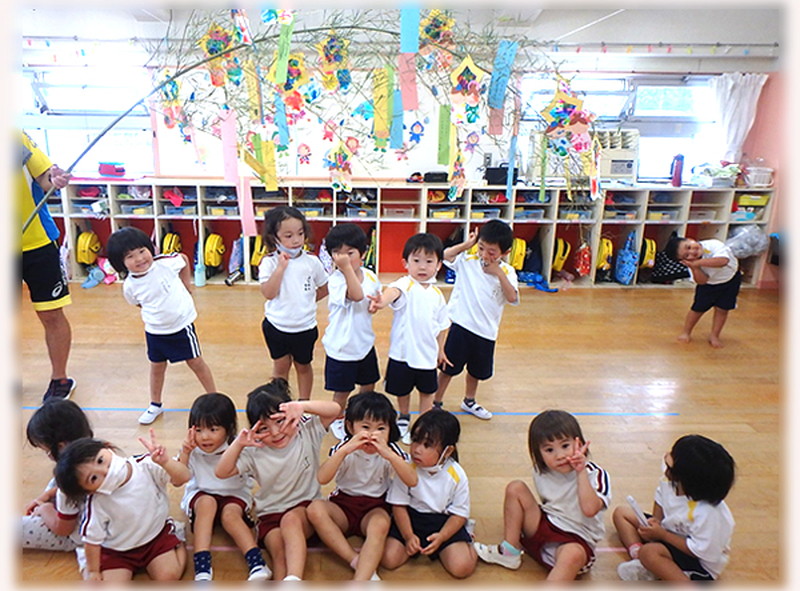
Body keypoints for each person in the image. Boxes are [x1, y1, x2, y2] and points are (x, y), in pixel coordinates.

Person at [215, 378, 340, 581]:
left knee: (291, 522)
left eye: (280, 421)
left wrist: (302, 406)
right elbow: (222, 471)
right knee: (279, 556)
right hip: (271, 516)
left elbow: (335, 409)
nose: (275, 433)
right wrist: (238, 444)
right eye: (264, 428)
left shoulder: (307, 430)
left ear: (292, 415)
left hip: (304, 511)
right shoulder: (254, 450)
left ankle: (294, 580)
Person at [473, 409, 611, 581]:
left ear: (580, 443)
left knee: (572, 555)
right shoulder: (542, 471)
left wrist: (580, 472)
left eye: (565, 446)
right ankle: (509, 552)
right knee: (516, 488)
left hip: (577, 539)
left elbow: (590, 510)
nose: (559, 455)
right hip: (549, 524)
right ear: (538, 453)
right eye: (549, 450)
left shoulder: (595, 474)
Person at [106, 226, 216, 424]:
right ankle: (155, 404)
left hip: (181, 327)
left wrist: (186, 286)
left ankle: (214, 398)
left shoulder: (165, 264)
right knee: (157, 367)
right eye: (130, 256)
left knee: (196, 362)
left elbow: (184, 259)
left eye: (142, 251)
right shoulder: (129, 285)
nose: (139, 259)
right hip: (155, 331)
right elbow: (138, 303)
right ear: (120, 263)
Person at [307, 391, 417, 580]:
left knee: (380, 524)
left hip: (375, 507)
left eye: (381, 428)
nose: (372, 434)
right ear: (350, 427)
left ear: (390, 429)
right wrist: (344, 451)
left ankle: (360, 581)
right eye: (365, 427)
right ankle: (354, 560)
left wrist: (388, 454)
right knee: (315, 509)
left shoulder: (391, 450)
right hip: (343, 505)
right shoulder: (344, 448)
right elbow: (322, 478)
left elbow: (412, 480)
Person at [54, 432, 190, 582]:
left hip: (155, 537)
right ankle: (84, 560)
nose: (105, 471)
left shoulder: (145, 465)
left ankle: (177, 538)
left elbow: (184, 477)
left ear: (107, 447)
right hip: (117, 551)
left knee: (169, 577)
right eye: (93, 478)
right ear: (89, 491)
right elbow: (92, 540)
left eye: (100, 460)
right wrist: (93, 571)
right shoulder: (97, 502)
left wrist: (165, 462)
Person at [612, 434, 735, 582]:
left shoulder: (708, 514)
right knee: (622, 513)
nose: (666, 456)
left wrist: (662, 535)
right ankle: (639, 556)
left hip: (698, 561)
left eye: (671, 460)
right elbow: (660, 498)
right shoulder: (671, 483)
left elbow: (700, 551)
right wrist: (655, 522)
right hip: (668, 534)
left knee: (650, 552)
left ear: (684, 477)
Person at [177, 392, 270, 581]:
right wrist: (185, 453)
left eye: (213, 429)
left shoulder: (238, 446)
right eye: (199, 430)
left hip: (234, 495)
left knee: (230, 515)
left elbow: (262, 472)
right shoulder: (192, 449)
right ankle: (202, 567)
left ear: (228, 429)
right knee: (207, 504)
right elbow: (177, 480)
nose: (205, 437)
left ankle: (257, 563)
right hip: (201, 494)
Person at [368, 233, 450, 444]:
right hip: (402, 354)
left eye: (429, 261)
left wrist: (441, 349)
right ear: (406, 263)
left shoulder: (437, 294)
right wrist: (381, 301)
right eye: (416, 260)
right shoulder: (405, 284)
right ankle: (403, 416)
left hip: (427, 355)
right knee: (401, 390)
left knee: (427, 392)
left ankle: (423, 424)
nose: (422, 266)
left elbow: (443, 326)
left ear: (438, 265)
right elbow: (392, 292)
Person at [433, 221, 519, 419]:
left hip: (486, 332)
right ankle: (435, 401)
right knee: (448, 368)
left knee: (476, 372)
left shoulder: (508, 272)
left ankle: (469, 401)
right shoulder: (468, 260)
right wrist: (467, 245)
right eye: (481, 248)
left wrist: (498, 273)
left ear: (505, 252)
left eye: (492, 252)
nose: (484, 255)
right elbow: (444, 255)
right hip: (460, 326)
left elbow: (512, 297)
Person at [380, 408, 476, 579]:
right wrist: (408, 536)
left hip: (443, 522)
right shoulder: (407, 468)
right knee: (388, 559)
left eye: (427, 445)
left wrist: (442, 537)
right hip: (411, 519)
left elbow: (459, 514)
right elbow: (398, 505)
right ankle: (417, 545)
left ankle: (468, 540)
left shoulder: (457, 475)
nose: (417, 450)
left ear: (447, 451)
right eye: (415, 440)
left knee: (462, 568)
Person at [18, 130, 75, 401]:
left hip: (37, 242)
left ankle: (59, 378)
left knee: (51, 314)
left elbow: (44, 177)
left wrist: (55, 178)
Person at [259, 206, 329, 401]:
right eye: (288, 236)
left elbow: (325, 287)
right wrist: (281, 268)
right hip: (276, 326)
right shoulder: (269, 262)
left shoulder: (312, 261)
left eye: (300, 233)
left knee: (303, 366)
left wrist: (305, 300)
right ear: (274, 238)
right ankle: (281, 404)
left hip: (304, 327)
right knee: (280, 368)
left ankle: (304, 404)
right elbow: (269, 293)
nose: (296, 240)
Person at [320, 223, 382, 440]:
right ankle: (338, 419)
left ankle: (361, 415)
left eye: (350, 253)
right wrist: (346, 269)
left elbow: (373, 296)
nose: (344, 258)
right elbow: (356, 295)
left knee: (368, 385)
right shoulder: (336, 280)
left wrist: (376, 304)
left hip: (364, 343)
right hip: (341, 348)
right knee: (342, 392)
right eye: (338, 253)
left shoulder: (370, 276)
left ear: (363, 254)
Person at [23, 399, 93, 577]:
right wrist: (48, 494)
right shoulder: (99, 453)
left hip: (81, 533)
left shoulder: (67, 484)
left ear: (61, 446)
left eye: (47, 451)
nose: (48, 455)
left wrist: (44, 509)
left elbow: (63, 528)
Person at [664, 235, 741, 348]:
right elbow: (702, 281)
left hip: (731, 280)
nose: (692, 252)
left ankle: (714, 336)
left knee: (723, 309)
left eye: (689, 247)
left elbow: (723, 261)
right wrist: (695, 268)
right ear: (684, 261)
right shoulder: (692, 264)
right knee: (697, 309)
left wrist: (698, 263)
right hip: (709, 285)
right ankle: (686, 332)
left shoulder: (712, 244)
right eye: (687, 255)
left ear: (691, 239)